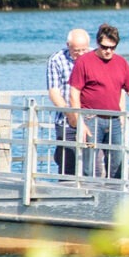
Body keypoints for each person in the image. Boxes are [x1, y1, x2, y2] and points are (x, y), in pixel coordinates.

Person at [68, 24, 129, 181]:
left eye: (113, 47)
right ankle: (88, 197)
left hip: (114, 120)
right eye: (105, 47)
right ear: (97, 43)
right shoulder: (84, 62)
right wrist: (79, 121)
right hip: (91, 119)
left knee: (117, 163)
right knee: (88, 166)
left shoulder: (121, 63)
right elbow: (74, 93)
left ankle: (114, 200)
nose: (108, 51)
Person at [45, 28, 91, 176]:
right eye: (77, 50)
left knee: (92, 165)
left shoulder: (94, 57)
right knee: (67, 164)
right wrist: (70, 113)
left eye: (84, 49)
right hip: (66, 120)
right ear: (68, 45)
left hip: (91, 119)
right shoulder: (56, 59)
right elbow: (54, 92)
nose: (81, 54)